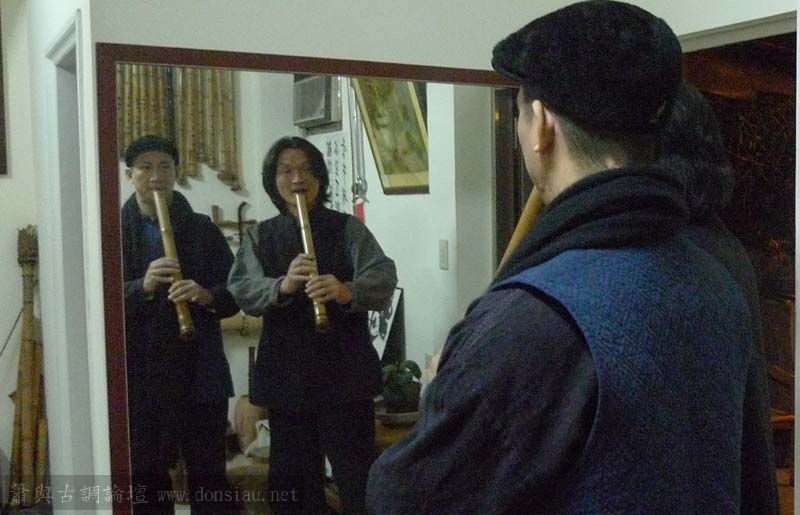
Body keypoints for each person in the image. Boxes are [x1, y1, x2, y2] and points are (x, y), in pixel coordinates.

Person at [366, 2, 777, 514]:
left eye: (520, 112)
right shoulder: (716, 280)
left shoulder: (533, 320)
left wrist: (439, 395)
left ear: (541, 125)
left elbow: (404, 499)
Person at [227, 136, 398, 514]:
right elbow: (241, 289)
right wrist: (282, 285)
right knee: (293, 480)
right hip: (286, 376)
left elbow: (383, 276)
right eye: (286, 170)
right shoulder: (260, 236)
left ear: (319, 176)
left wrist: (346, 290)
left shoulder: (347, 228)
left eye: (305, 169)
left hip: (345, 373)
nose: (297, 178)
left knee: (357, 474)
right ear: (273, 181)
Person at [121, 135, 241, 514]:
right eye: (145, 167)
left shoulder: (202, 229)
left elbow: (234, 293)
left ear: (176, 172)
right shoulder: (111, 232)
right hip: (142, 377)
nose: (156, 175)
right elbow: (96, 301)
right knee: (146, 479)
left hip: (199, 373)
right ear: (129, 175)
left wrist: (205, 295)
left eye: (165, 166)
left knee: (209, 476)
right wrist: (142, 286)